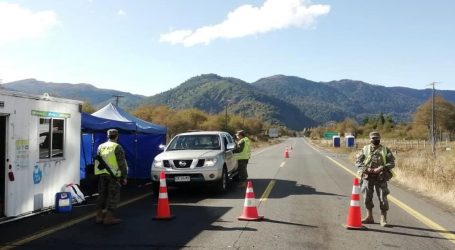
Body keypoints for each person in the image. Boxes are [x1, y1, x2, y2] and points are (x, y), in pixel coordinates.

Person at [355, 131, 395, 227]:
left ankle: (383, 219)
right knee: (367, 198)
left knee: (383, 198)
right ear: (370, 139)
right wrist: (366, 168)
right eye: (373, 138)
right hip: (367, 177)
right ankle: (369, 217)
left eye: (377, 138)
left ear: (380, 138)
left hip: (381, 177)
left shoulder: (386, 150)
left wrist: (381, 168)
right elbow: (358, 162)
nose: (375, 139)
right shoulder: (365, 149)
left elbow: (392, 163)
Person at [94, 129, 128, 225]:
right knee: (113, 195)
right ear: (117, 136)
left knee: (102, 195)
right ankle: (109, 218)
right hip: (114, 176)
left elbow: (98, 159)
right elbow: (122, 164)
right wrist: (124, 177)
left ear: (107, 136)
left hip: (102, 174)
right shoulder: (117, 147)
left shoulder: (101, 146)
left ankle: (99, 216)